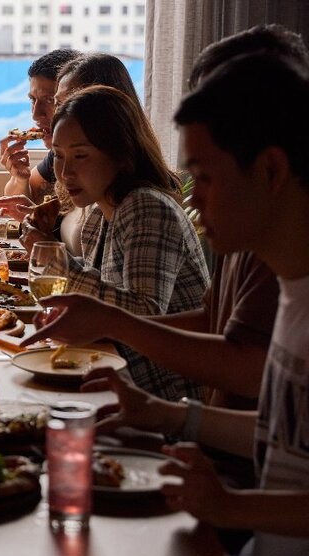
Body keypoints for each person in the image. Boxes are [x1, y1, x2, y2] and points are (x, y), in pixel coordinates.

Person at [76, 52, 309, 556]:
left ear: (271, 170)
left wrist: (231, 507)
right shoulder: (293, 290)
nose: (191, 198)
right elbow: (284, 434)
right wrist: (166, 414)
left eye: (203, 176)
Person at [28, 85, 210, 401]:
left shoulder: (147, 207)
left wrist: (56, 262)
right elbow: (107, 298)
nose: (64, 171)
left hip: (166, 400)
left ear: (121, 154)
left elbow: (146, 312)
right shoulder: (99, 213)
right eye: (58, 156)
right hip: (121, 379)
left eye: (80, 155)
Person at [0, 52, 144, 254]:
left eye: (56, 102)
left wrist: (50, 253)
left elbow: (108, 279)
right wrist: (22, 185)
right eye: (57, 103)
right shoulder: (73, 166)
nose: (36, 114)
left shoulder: (141, 206)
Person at [0, 48, 81, 205]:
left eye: (50, 100)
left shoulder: (92, 162)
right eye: (33, 100)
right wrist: (20, 178)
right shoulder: (57, 154)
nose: (36, 114)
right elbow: (18, 201)